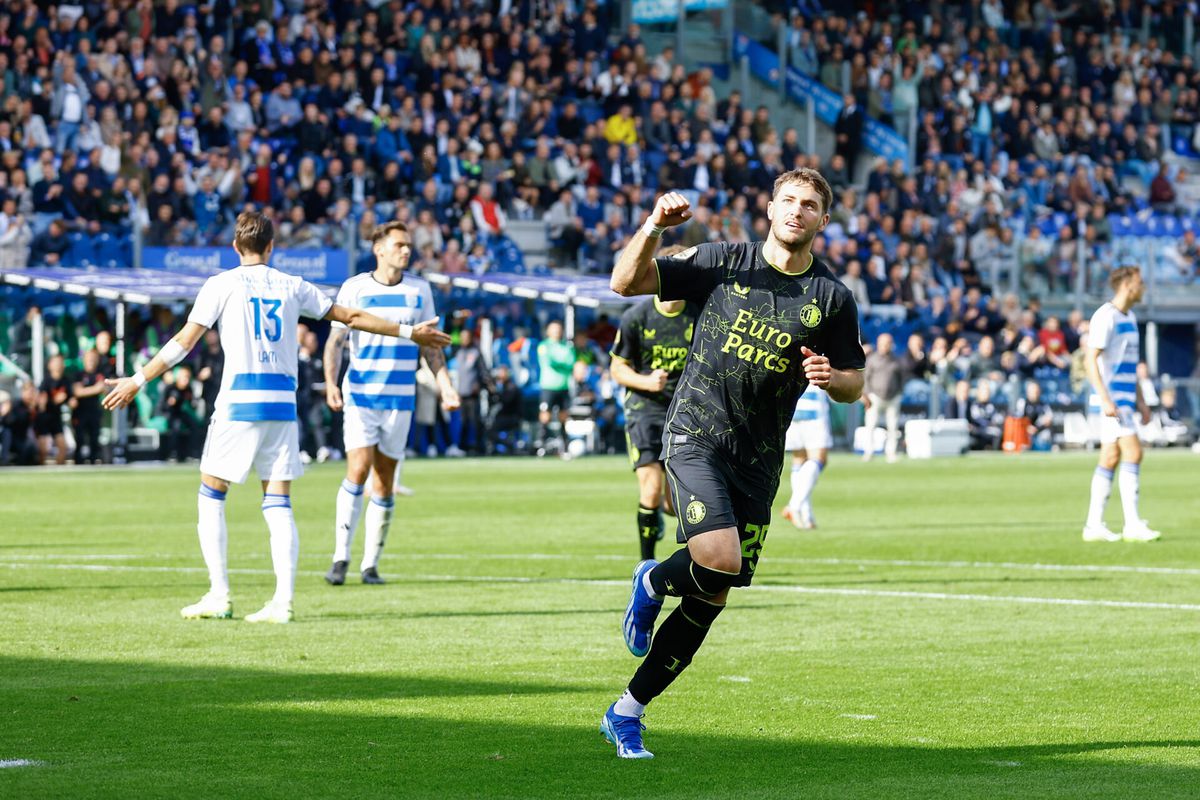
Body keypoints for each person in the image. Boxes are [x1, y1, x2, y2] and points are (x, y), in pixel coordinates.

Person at [601, 169, 865, 758]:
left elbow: (855, 381)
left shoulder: (832, 298)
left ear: (824, 220)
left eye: (811, 205)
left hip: (760, 458)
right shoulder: (725, 260)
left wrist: (833, 380)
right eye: (789, 201)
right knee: (718, 558)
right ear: (770, 208)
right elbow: (624, 281)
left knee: (714, 593)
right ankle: (652, 578)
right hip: (695, 433)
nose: (797, 211)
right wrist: (652, 228)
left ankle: (627, 711)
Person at [103, 211, 446, 624]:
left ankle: (220, 594)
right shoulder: (292, 285)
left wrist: (138, 379)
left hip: (239, 402)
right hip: (282, 406)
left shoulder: (221, 284)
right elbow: (351, 317)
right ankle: (282, 603)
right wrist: (411, 333)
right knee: (278, 501)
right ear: (271, 247)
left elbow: (183, 343)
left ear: (235, 247)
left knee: (211, 494)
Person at [322, 221, 460, 587]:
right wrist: (331, 383)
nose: (406, 250)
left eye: (408, 245)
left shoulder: (420, 290)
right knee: (358, 468)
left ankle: (370, 565)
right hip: (362, 393)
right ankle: (340, 558)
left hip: (401, 397)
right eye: (399, 244)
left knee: (384, 480)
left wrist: (445, 386)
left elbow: (430, 345)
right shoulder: (355, 287)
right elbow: (336, 341)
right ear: (378, 249)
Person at [609, 243, 700, 561]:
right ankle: (645, 565)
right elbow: (617, 368)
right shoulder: (636, 317)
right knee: (650, 487)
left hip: (685, 412)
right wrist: (646, 381)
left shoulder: (700, 315)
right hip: (645, 409)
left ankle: (686, 537)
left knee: (674, 502)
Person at [1082, 265, 1160, 543]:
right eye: (1140, 282)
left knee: (1111, 458)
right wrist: (1104, 398)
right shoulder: (1106, 316)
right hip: (1112, 401)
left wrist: (1142, 402)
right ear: (1127, 284)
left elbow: (1129, 364)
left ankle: (1093, 525)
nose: (1143, 288)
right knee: (1134, 453)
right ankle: (1132, 524)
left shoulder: (1131, 317)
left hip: (1125, 400)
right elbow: (1090, 359)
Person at [780, 385, 832, 530]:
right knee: (819, 459)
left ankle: (806, 515)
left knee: (799, 460)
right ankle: (793, 506)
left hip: (793, 408)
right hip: (814, 409)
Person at [535, 319, 575, 456]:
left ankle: (565, 446)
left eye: (559, 329)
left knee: (563, 417)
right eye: (554, 329)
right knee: (545, 416)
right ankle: (541, 444)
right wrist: (562, 364)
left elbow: (571, 364)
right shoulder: (543, 346)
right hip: (548, 386)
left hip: (563, 386)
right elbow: (549, 362)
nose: (557, 332)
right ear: (548, 331)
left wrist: (561, 365)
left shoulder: (567, 347)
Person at [862, 332, 903, 462]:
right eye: (883, 343)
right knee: (870, 425)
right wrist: (867, 395)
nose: (886, 346)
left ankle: (891, 452)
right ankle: (869, 451)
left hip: (893, 397)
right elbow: (866, 378)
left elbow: (901, 379)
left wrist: (899, 393)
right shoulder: (872, 359)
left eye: (888, 343)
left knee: (892, 427)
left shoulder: (896, 360)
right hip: (875, 396)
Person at [72, 348, 108, 464]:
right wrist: (96, 389)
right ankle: (78, 463)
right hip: (80, 412)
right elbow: (77, 392)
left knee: (94, 439)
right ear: (84, 360)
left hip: (94, 412)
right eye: (89, 359)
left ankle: (93, 463)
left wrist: (97, 389)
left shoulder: (100, 375)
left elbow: (106, 388)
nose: (91, 361)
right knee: (80, 439)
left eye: (93, 359)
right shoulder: (78, 375)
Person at [36, 354, 71, 465]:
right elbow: (41, 402)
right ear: (50, 365)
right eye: (55, 363)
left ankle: (57, 472)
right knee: (43, 450)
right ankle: (40, 471)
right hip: (44, 418)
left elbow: (71, 397)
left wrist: (70, 401)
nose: (58, 365)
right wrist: (48, 401)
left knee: (63, 448)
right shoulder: (46, 381)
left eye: (60, 363)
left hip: (56, 418)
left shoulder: (66, 381)